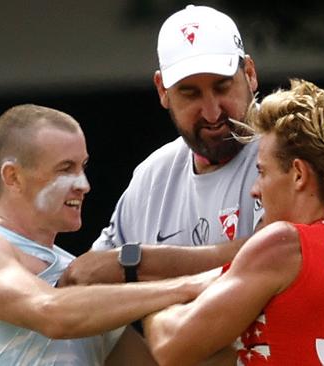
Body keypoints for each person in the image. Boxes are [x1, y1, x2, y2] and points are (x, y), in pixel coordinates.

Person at [0, 104, 216, 365]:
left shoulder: (82, 284)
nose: (84, 184)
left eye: (83, 167)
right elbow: (51, 313)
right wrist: (193, 285)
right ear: (12, 177)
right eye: (66, 169)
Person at [143, 79, 324, 366]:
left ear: (298, 174)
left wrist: (159, 286)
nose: (255, 189)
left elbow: (169, 344)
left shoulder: (283, 243)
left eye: (262, 172)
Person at [61, 4, 261, 286]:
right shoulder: (152, 177)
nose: (212, 112)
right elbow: (91, 278)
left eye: (222, 86)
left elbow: (287, 252)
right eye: (190, 94)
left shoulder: (293, 150)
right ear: (162, 90)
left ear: (250, 74)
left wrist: (138, 264)